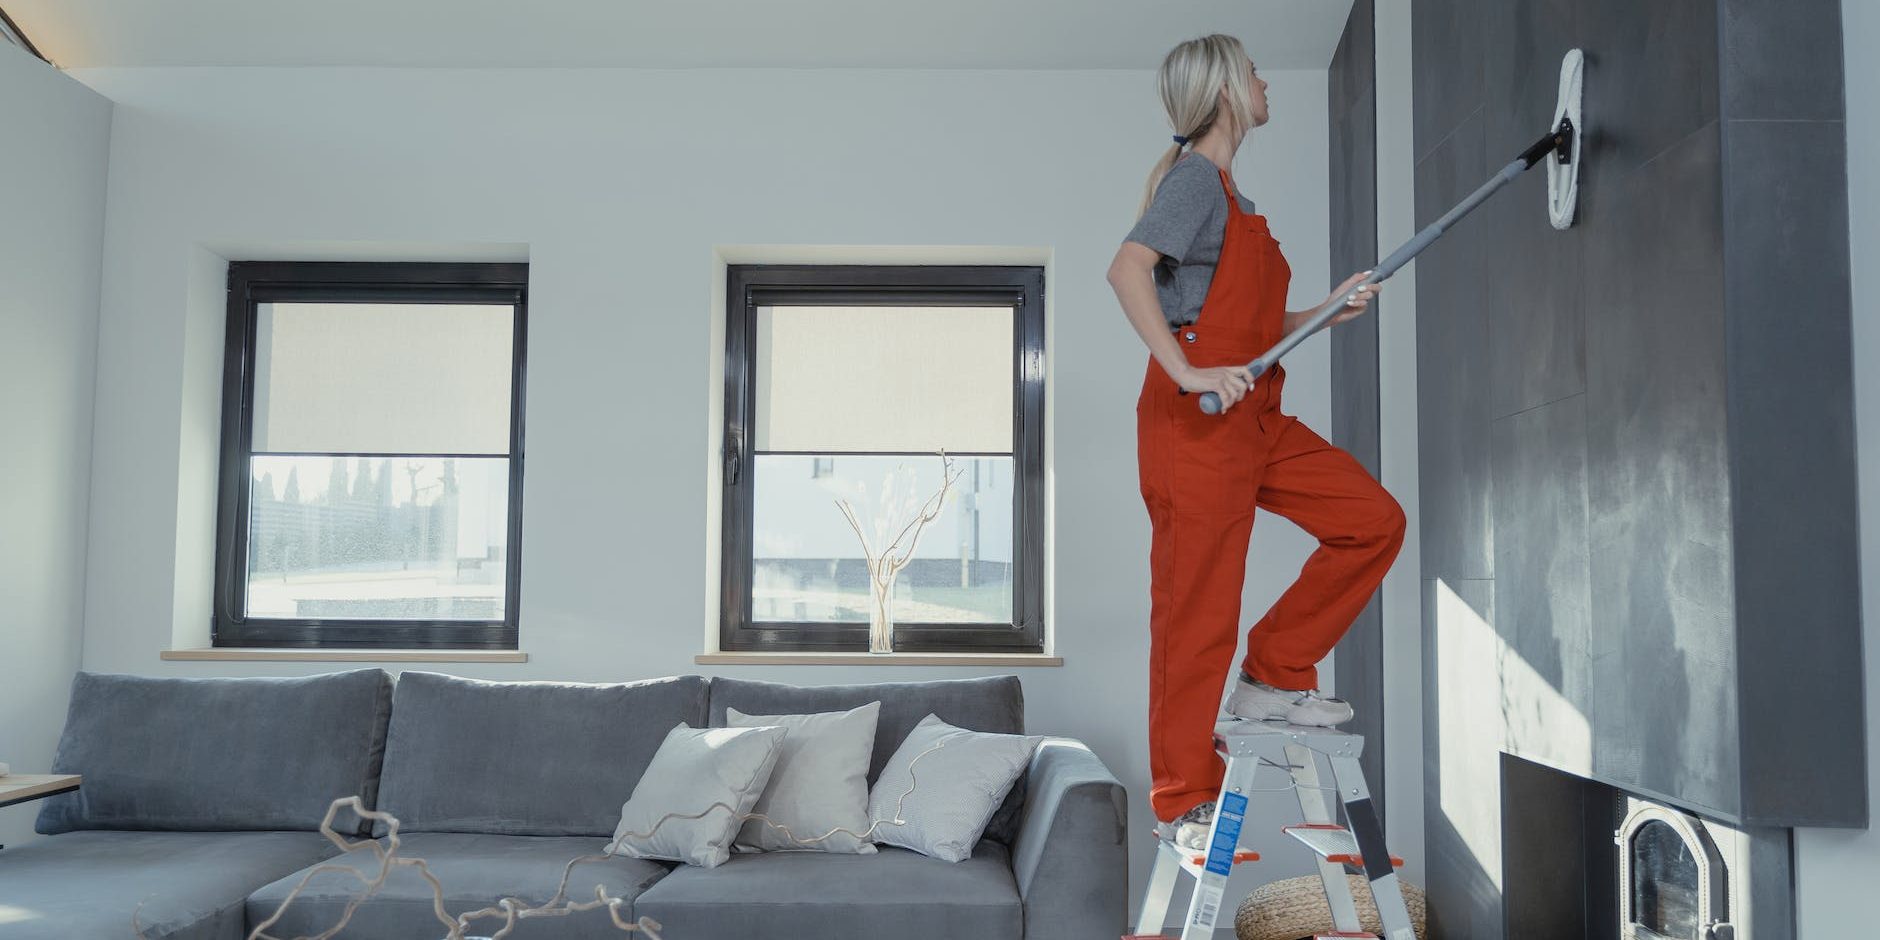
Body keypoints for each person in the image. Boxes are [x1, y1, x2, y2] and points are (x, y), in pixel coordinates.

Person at [1106, 33, 1407, 851]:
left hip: (1254, 415)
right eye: (1255, 72)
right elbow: (1128, 270)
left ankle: (1275, 672)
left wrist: (1322, 312)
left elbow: (1248, 327)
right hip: (1196, 426)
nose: (1266, 80)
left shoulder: (1233, 200)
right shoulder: (1195, 181)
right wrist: (1189, 373)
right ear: (1230, 91)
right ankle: (1183, 803)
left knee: (1372, 520)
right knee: (1196, 613)